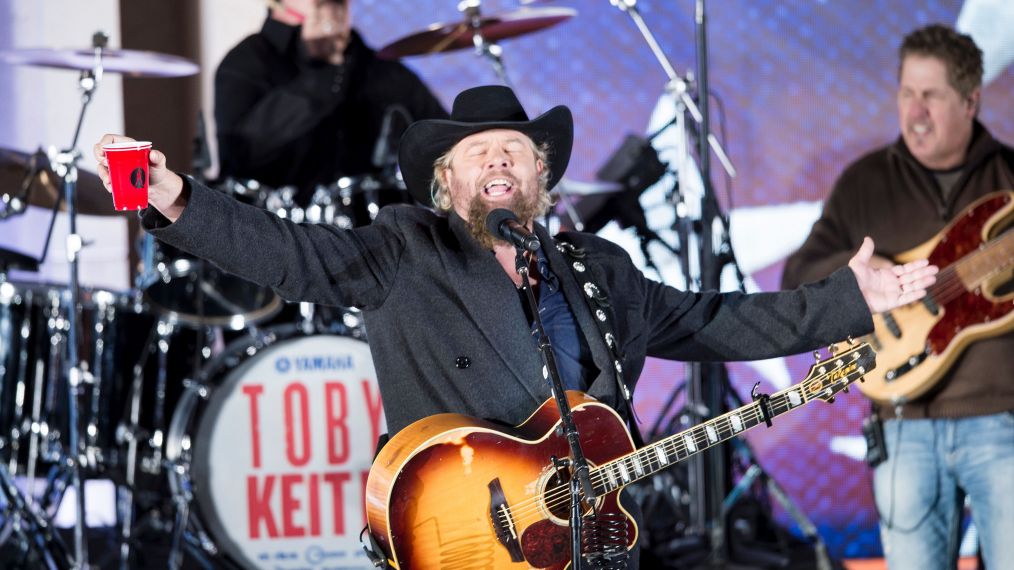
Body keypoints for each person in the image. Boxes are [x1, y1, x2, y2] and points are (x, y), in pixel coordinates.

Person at [97, 85, 936, 568]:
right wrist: (176, 199)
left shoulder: (597, 270)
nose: (498, 158)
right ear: (445, 178)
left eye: (515, 149)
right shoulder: (405, 251)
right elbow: (289, 254)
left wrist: (852, 296)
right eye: (477, 150)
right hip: (465, 539)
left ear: (541, 173)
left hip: (588, 544)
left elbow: (717, 319)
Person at [781, 24, 1014, 570]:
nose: (915, 110)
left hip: (1002, 418)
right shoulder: (864, 181)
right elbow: (799, 274)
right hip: (902, 423)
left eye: (931, 95)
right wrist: (861, 276)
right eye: (907, 93)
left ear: (970, 99)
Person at [214, 0, 448, 204]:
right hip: (273, 231)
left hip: (366, 235)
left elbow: (442, 138)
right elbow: (238, 156)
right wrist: (319, 71)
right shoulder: (249, 61)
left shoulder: (376, 68)